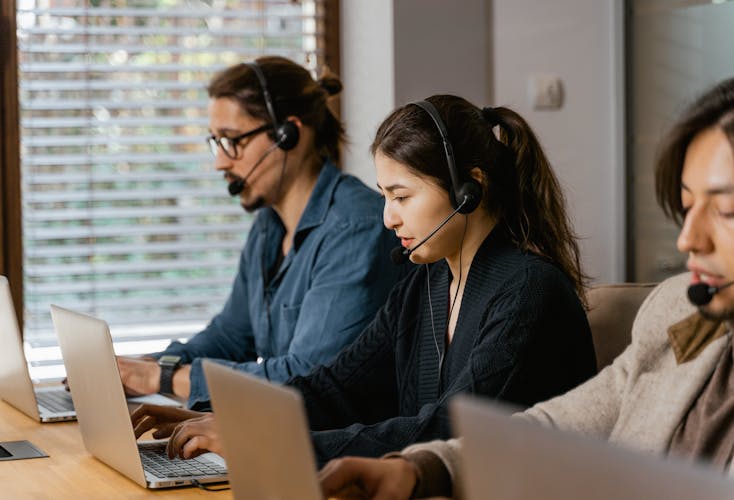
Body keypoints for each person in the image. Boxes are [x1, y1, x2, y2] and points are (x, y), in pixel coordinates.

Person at [318, 78, 734, 500]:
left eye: (725, 210)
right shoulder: (677, 313)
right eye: (685, 206)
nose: (688, 239)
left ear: (469, 191)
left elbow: (454, 421)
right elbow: (555, 426)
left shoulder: (528, 291)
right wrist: (420, 467)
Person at [130, 95, 597, 465]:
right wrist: (221, 416)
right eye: (383, 196)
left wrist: (262, 436)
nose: (388, 218)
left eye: (401, 196)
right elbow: (336, 387)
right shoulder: (428, 283)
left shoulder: (529, 291)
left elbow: (449, 430)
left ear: (468, 190)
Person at [115, 56, 408, 409]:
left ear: (289, 135)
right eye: (216, 142)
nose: (220, 162)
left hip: (339, 453)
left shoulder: (355, 230)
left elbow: (306, 377)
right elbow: (230, 336)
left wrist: (162, 380)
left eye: (232, 140)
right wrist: (148, 366)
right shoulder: (268, 228)